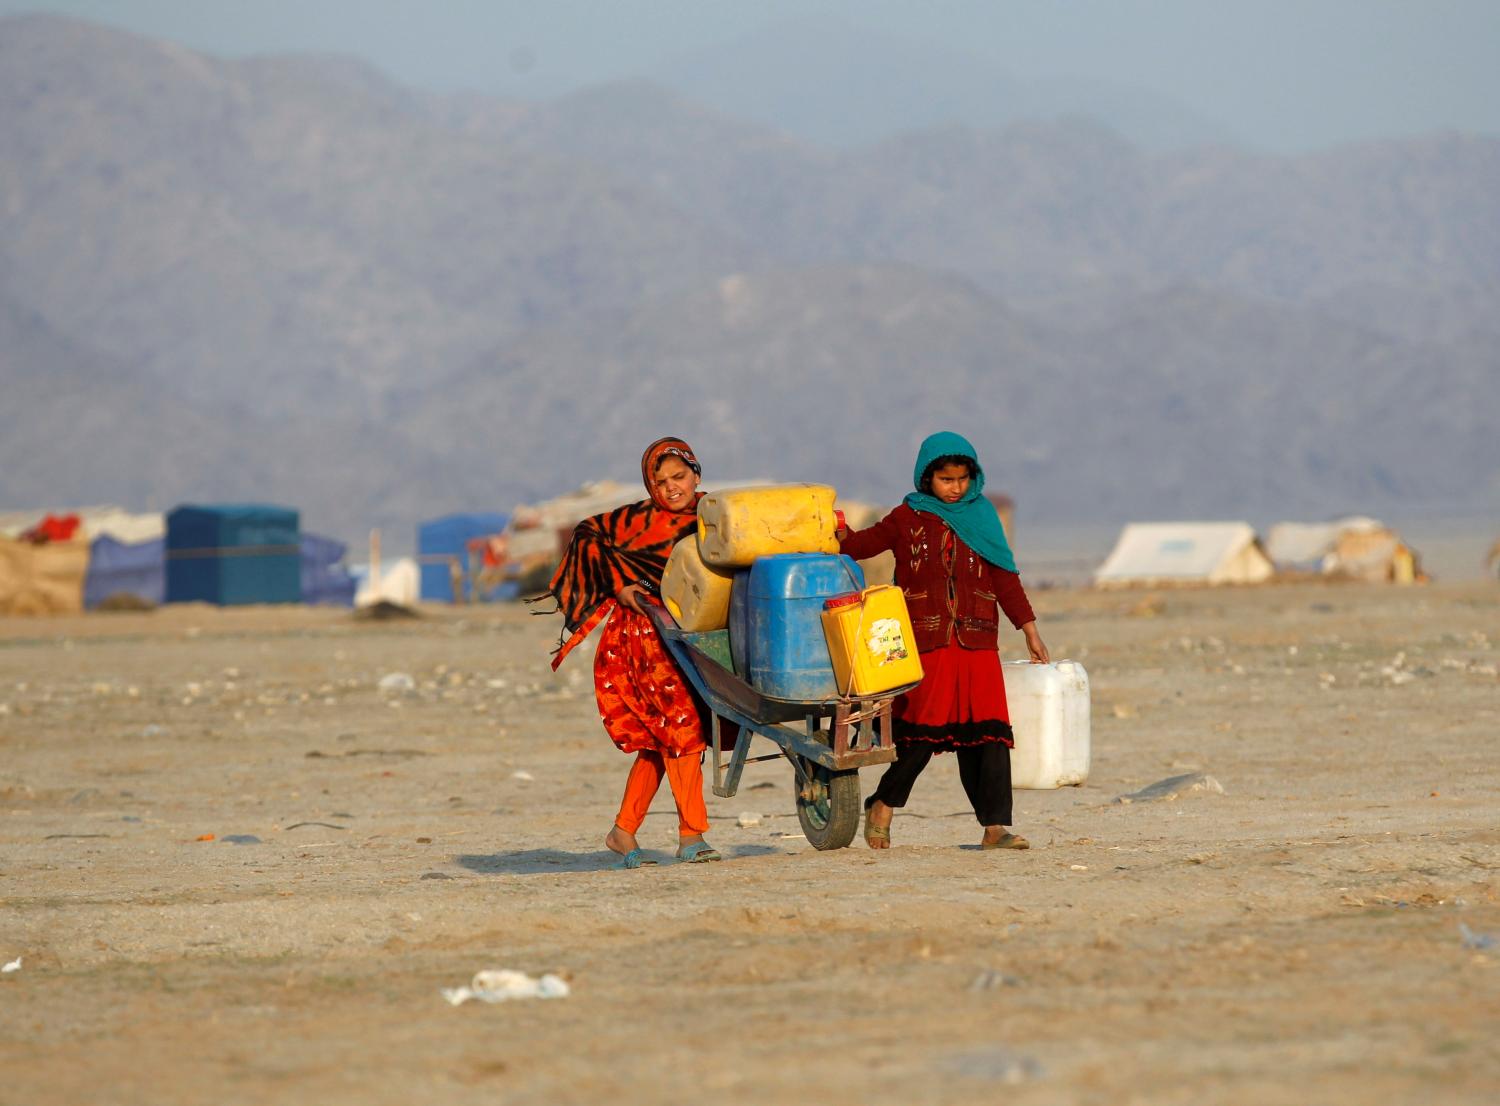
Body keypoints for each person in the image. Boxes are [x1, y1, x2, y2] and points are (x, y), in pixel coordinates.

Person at [837, 430, 1049, 851]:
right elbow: (862, 546)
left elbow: (1005, 577)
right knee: (921, 732)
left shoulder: (983, 516)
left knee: (988, 736)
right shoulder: (907, 517)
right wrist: (835, 533)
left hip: (978, 642)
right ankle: (882, 804)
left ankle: (994, 828)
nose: (956, 488)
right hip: (927, 641)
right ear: (926, 478)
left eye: (963, 479)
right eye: (946, 480)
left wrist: (1029, 629)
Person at [536, 437, 720, 868]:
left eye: (679, 476)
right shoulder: (635, 520)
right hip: (643, 635)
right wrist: (619, 585)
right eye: (661, 481)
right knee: (681, 727)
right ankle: (692, 836)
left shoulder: (716, 514)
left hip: (694, 635)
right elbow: (587, 533)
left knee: (661, 742)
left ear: (696, 473)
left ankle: (623, 831)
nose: (672, 487)